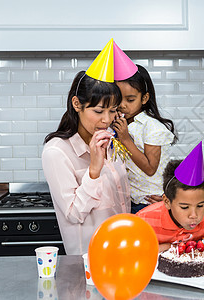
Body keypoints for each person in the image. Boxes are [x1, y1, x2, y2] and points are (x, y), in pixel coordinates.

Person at [42, 39, 132, 255]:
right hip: (89, 260)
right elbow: (74, 214)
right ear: (76, 104)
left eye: (113, 111)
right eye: (99, 111)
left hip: (122, 251)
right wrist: (93, 170)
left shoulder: (110, 142)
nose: (106, 120)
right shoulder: (57, 152)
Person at [113, 64, 177, 214]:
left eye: (130, 100)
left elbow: (150, 168)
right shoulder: (117, 123)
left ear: (144, 98)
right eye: (118, 99)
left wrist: (126, 139)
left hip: (149, 202)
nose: (122, 105)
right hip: (129, 201)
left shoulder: (152, 127)